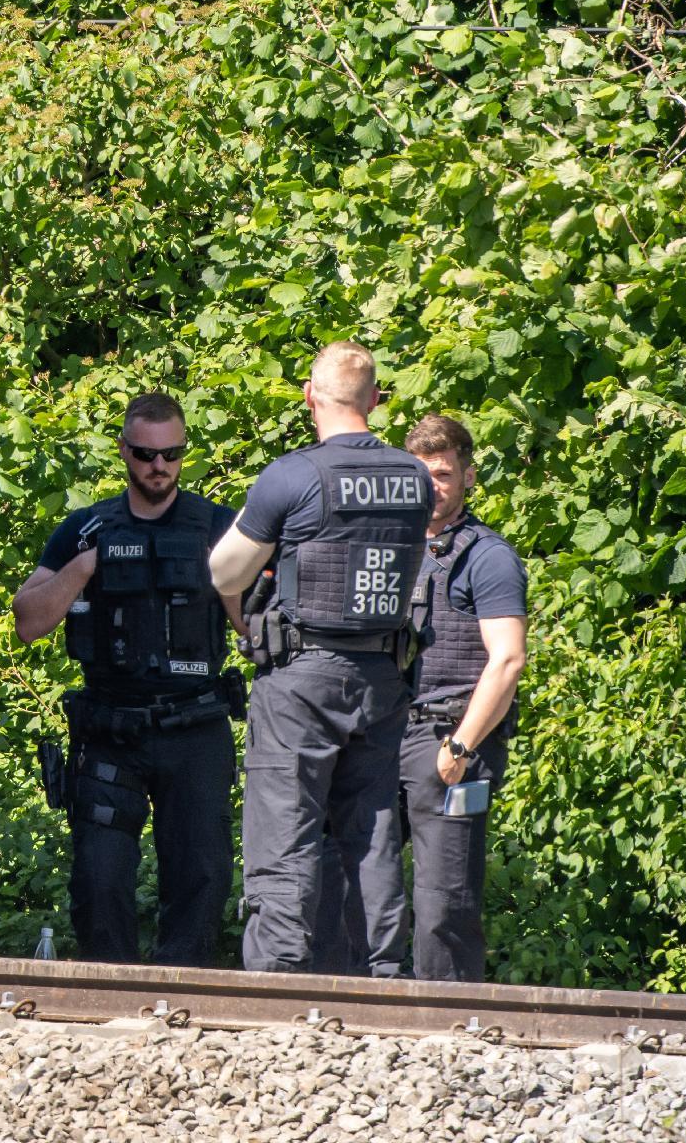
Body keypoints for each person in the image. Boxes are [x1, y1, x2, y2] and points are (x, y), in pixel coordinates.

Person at [208, 342, 432, 973]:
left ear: (310, 396)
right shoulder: (413, 476)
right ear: (375, 401)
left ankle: (276, 982)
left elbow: (224, 570)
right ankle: (382, 976)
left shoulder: (294, 475)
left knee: (286, 832)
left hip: (302, 680)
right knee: (374, 835)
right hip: (383, 678)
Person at [13, 392, 240, 965]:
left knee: (201, 873)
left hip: (195, 725)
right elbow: (28, 622)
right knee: (99, 879)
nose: (158, 467)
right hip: (111, 726)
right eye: (145, 454)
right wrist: (87, 566)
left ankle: (181, 993)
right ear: (124, 451)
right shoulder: (86, 530)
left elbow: (258, 626)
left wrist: (226, 579)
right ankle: (105, 993)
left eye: (171, 454)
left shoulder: (217, 526)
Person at [342, 413, 530, 979]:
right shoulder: (382, 548)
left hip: (448, 737)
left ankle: (448, 1021)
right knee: (359, 884)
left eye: (445, 474)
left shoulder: (488, 556)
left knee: (444, 901)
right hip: (379, 735)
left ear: (468, 476)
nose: (433, 486)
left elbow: (508, 659)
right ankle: (360, 1009)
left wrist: (463, 747)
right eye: (423, 474)